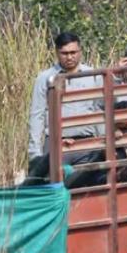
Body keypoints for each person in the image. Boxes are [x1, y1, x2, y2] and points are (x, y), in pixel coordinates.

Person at [26, 32, 106, 187]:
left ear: (80, 51)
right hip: (57, 144)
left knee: (92, 183)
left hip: (87, 143)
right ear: (56, 52)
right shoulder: (45, 78)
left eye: (73, 52)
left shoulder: (93, 75)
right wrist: (35, 153)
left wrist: (102, 143)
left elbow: (99, 110)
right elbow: (37, 115)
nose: (69, 57)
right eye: (64, 53)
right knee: (53, 185)